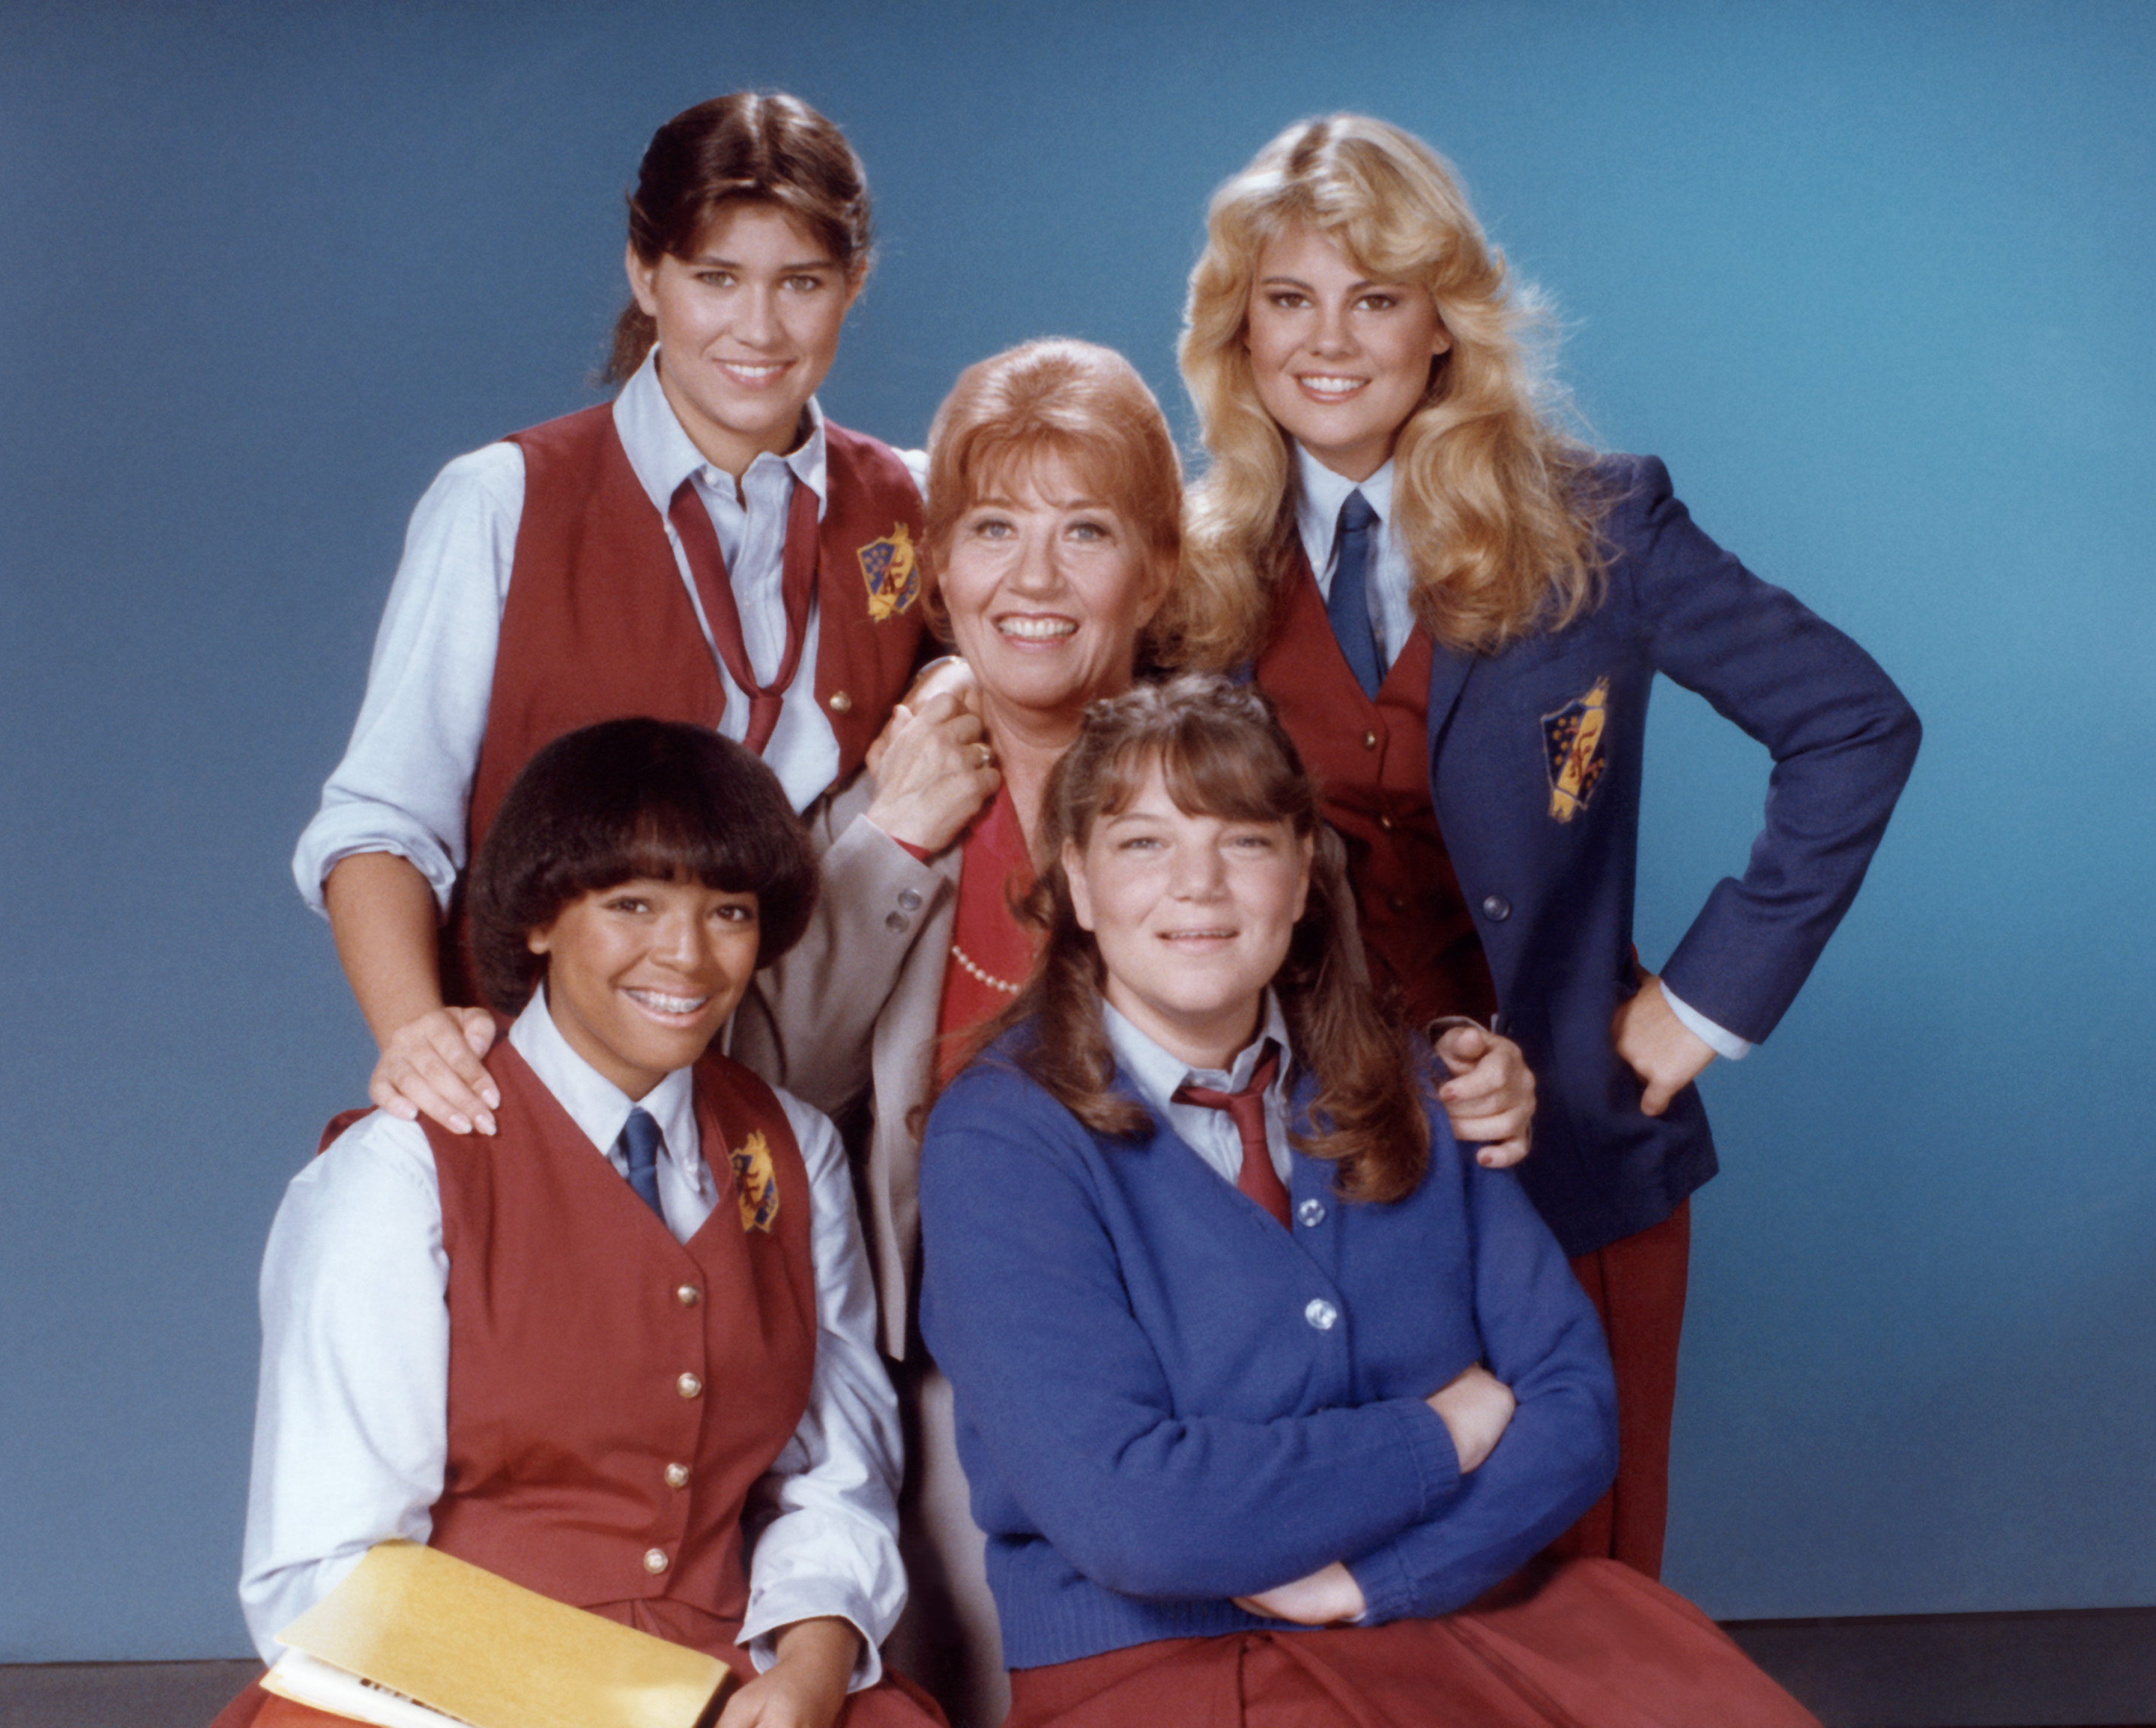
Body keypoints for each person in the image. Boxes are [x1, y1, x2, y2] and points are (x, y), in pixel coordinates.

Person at [728, 341, 1531, 1727]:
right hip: (952, 1379)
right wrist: (895, 842)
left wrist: (1474, 1056)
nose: (1030, 583)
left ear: (1156, 572)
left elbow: (1366, 1004)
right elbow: (747, 1087)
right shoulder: (865, 794)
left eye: (1084, 533)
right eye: (992, 531)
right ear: (938, 566)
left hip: (1251, 1369)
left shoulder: (1232, 776)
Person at [1169, 114, 1921, 1575]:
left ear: (1442, 327)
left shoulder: (1598, 523)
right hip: (1305, 1191)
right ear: (1239, 325)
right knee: (1369, 1605)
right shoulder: (1182, 563)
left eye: (1376, 298)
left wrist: (1692, 1011)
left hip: (1576, 1160)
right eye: (1290, 298)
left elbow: (1854, 725)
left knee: (1585, 1594)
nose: (1331, 342)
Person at [917, 676, 1820, 1727]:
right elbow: (1137, 1517)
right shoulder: (1002, 1141)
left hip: (1471, 1608)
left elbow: (1574, 1408)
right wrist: (1442, 1432)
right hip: (1167, 1668)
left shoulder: (1412, 1082)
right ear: (1077, 883)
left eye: (1246, 841)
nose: (1198, 885)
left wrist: (1372, 1585)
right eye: (1143, 845)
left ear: (1303, 876)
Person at [221, 718, 944, 1728]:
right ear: (539, 921)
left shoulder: (797, 1154)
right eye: (632, 904)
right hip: (442, 1684)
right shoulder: (398, 1172)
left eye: (727, 911)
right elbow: (322, 1571)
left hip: (729, 1674)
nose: (686, 957)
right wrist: (619, 1707)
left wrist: (811, 1672)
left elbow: (833, 1479)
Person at [293, 92, 935, 1147]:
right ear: (647, 275)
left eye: (802, 284)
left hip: (809, 1124)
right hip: (551, 1104)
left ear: (854, 286)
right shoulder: (504, 501)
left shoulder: (911, 505)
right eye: (715, 279)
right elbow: (381, 825)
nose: (759, 329)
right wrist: (419, 1038)